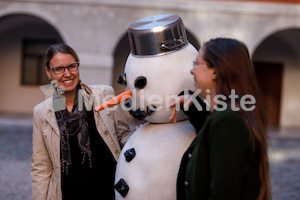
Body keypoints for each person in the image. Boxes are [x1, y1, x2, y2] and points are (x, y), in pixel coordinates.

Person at [169, 38, 271, 200]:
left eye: (196, 64)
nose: (192, 71)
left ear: (215, 71)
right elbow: (212, 140)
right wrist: (193, 103)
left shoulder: (230, 121)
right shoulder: (228, 117)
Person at [31, 43, 132, 200]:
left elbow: (123, 135)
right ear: (49, 73)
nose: (67, 74)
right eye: (59, 69)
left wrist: (141, 138)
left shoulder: (104, 94)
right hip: (68, 194)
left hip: (107, 191)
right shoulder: (41, 112)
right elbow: (41, 166)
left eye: (72, 66)